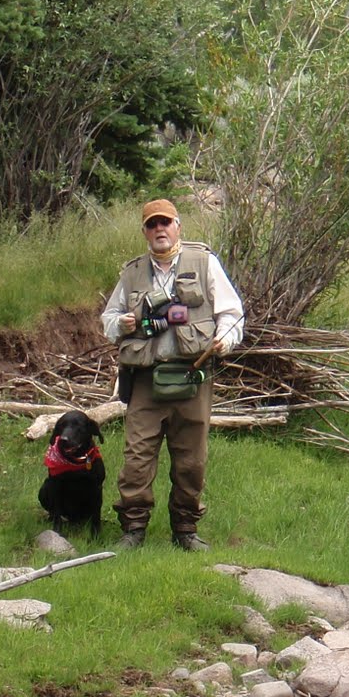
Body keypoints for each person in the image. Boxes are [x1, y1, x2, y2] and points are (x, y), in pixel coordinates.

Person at [100, 199, 245, 551]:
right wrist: (123, 323)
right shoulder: (132, 272)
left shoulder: (204, 262)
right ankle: (133, 529)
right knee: (136, 458)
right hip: (146, 381)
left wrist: (224, 341)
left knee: (191, 461)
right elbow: (107, 321)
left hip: (193, 378)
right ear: (145, 232)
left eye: (165, 223)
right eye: (152, 225)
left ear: (178, 225)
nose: (159, 230)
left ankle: (186, 530)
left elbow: (232, 313)